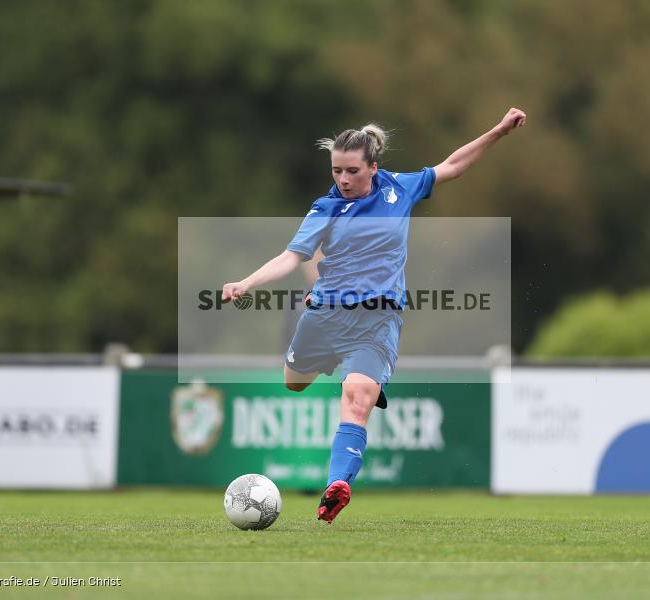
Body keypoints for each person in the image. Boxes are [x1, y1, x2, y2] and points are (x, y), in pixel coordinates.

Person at [222, 107, 526, 522]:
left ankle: (337, 485)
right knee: (293, 384)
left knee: (358, 399)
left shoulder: (400, 189)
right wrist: (246, 283)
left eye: (351, 171)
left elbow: (453, 165)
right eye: (336, 171)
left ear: (373, 167)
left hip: (377, 321)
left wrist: (498, 131)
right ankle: (334, 376)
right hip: (324, 317)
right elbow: (291, 256)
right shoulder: (326, 209)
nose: (343, 180)